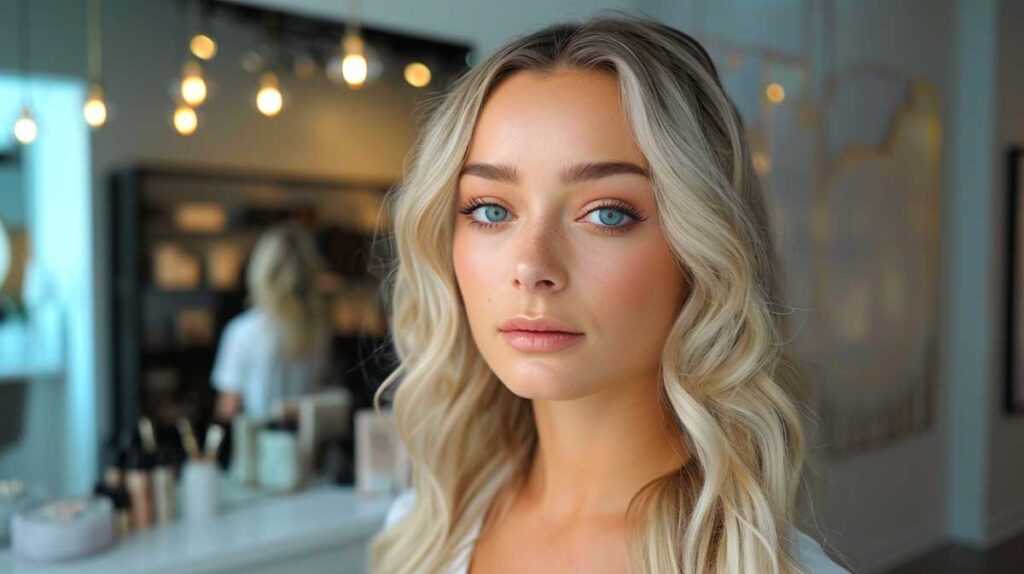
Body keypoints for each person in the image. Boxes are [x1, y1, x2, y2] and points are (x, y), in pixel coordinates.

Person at [370, 10, 852, 574]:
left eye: (606, 213)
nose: (531, 266)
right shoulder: (422, 529)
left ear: (701, 253)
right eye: (491, 209)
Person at [211, 221, 332, 421]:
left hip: (257, 444)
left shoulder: (241, 331)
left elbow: (228, 409)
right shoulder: (319, 330)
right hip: (305, 441)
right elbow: (318, 389)